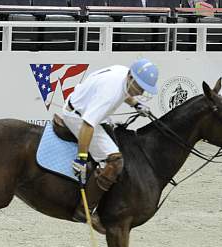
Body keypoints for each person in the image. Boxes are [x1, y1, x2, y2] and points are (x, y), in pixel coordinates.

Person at [60, 58, 158, 234]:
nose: (141, 91)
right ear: (131, 77)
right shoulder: (110, 92)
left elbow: (125, 93)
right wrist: (81, 158)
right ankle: (85, 211)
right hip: (78, 117)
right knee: (115, 161)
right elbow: (88, 125)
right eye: (140, 87)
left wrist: (136, 104)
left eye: (144, 89)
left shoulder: (122, 73)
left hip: (83, 104)